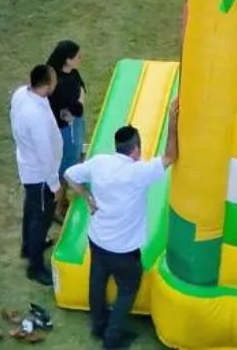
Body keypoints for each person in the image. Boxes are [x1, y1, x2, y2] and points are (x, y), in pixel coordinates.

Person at [65, 114, 178, 349]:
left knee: (97, 283)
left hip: (98, 240)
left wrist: (87, 197)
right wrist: (172, 123)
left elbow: (70, 174)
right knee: (127, 290)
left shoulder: (99, 163)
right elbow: (170, 156)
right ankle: (112, 338)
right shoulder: (138, 173)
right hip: (123, 251)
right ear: (136, 149)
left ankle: (98, 326)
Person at [11, 63, 62, 286]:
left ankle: (28, 246)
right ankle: (35, 266)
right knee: (40, 219)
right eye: (53, 79)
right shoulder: (36, 117)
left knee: (31, 210)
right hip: (41, 175)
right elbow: (44, 153)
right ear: (47, 85)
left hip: (29, 168)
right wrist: (54, 184)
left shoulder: (22, 94)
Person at [47, 40, 90, 179]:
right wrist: (79, 103)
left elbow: (82, 89)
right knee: (67, 162)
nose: (81, 59)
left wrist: (79, 102)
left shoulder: (72, 72)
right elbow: (75, 109)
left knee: (76, 148)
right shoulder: (59, 84)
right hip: (65, 128)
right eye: (78, 57)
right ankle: (62, 193)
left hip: (72, 122)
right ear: (68, 60)